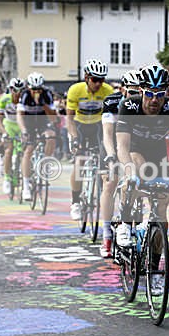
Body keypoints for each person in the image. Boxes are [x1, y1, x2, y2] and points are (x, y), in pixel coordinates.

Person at [114, 64, 169, 271]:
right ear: (141, 91)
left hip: (158, 152)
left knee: (162, 204)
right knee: (138, 174)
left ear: (167, 92)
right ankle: (124, 223)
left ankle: (154, 267)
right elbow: (122, 147)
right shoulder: (129, 106)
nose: (155, 100)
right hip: (134, 149)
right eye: (150, 94)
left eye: (160, 94)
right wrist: (129, 172)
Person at [99, 70, 141, 258]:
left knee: (139, 179)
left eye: (138, 92)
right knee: (110, 182)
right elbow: (107, 134)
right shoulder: (111, 102)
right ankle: (107, 234)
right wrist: (110, 156)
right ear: (123, 89)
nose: (135, 96)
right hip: (112, 143)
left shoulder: (146, 103)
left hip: (133, 143)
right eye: (131, 91)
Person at [66, 59, 114, 219]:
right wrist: (74, 139)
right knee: (80, 161)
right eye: (95, 79)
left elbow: (112, 120)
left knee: (104, 162)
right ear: (86, 78)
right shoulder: (75, 90)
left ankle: (102, 195)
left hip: (98, 127)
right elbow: (69, 120)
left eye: (102, 80)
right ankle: (75, 202)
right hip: (79, 126)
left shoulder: (108, 91)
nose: (98, 84)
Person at [17, 72, 57, 201]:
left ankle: (45, 163)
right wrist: (23, 131)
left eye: (39, 89)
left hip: (42, 123)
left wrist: (44, 105)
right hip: (28, 123)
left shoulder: (47, 94)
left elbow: (53, 117)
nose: (36, 92)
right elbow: (20, 115)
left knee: (51, 136)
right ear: (29, 88)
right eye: (34, 89)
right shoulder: (24, 95)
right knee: (28, 151)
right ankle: (26, 187)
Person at [0, 77, 25, 194]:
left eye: (21, 90)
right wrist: (4, 132)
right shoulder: (4, 99)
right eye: (15, 90)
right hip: (9, 124)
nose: (17, 93)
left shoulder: (25, 100)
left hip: (21, 125)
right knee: (9, 150)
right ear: (10, 89)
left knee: (24, 151)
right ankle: (7, 179)